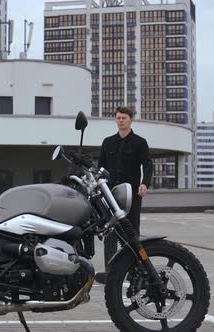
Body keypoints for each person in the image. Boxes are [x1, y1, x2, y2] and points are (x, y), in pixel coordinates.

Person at [95, 106, 153, 285]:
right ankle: (110, 273)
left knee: (131, 233)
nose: (121, 121)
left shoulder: (140, 142)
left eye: (124, 118)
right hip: (110, 195)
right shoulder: (108, 142)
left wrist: (145, 183)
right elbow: (101, 168)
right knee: (110, 233)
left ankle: (135, 272)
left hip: (131, 195)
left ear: (131, 120)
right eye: (118, 118)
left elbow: (148, 164)